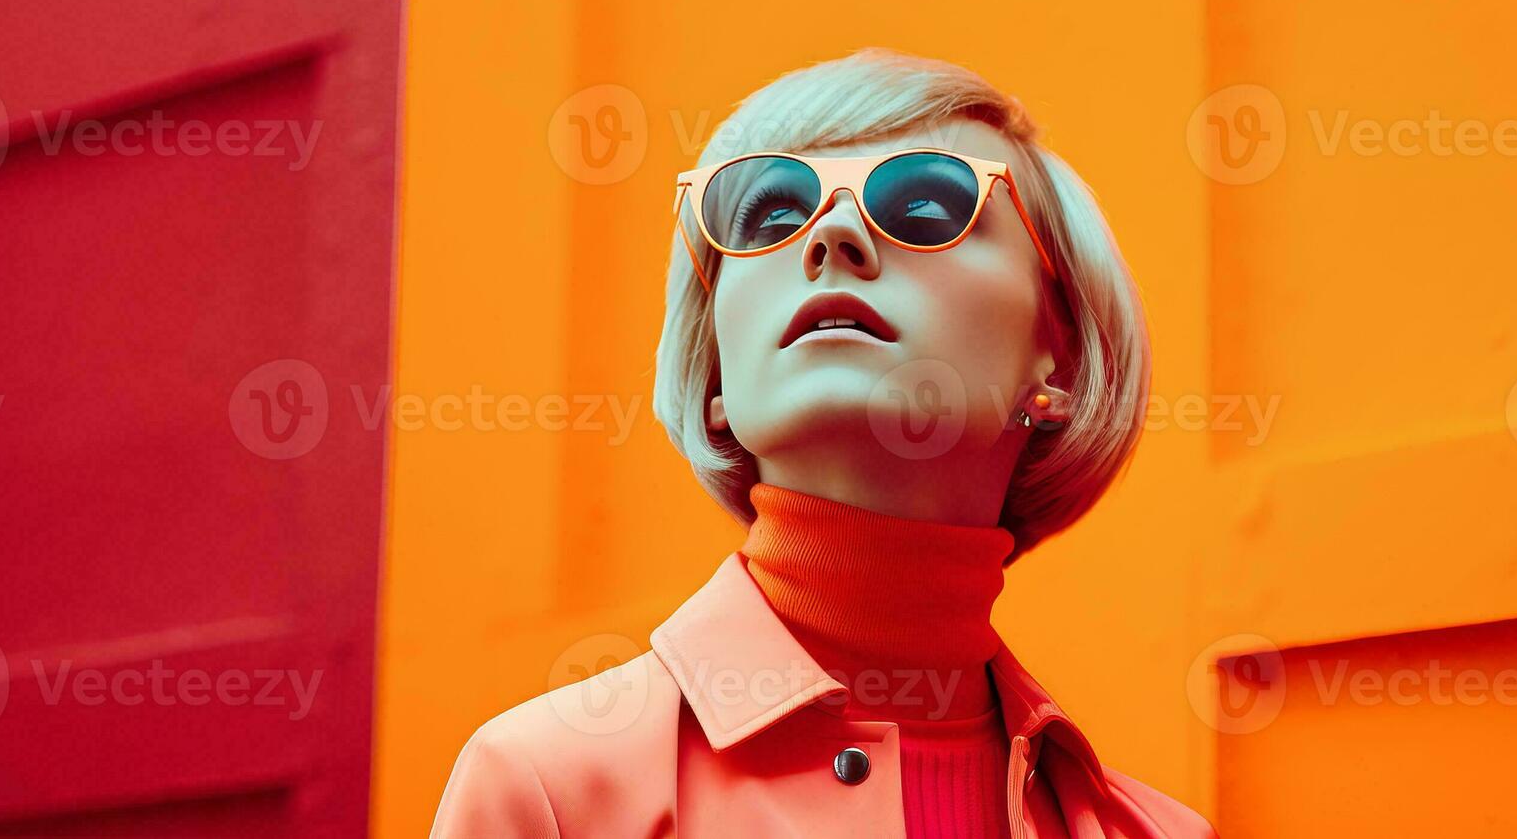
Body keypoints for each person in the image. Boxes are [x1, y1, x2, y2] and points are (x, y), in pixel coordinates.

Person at [429, 48, 1218, 837]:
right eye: (771, 218)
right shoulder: (547, 791)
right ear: (713, 379)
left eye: (923, 208)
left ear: (1064, 361)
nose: (831, 234)